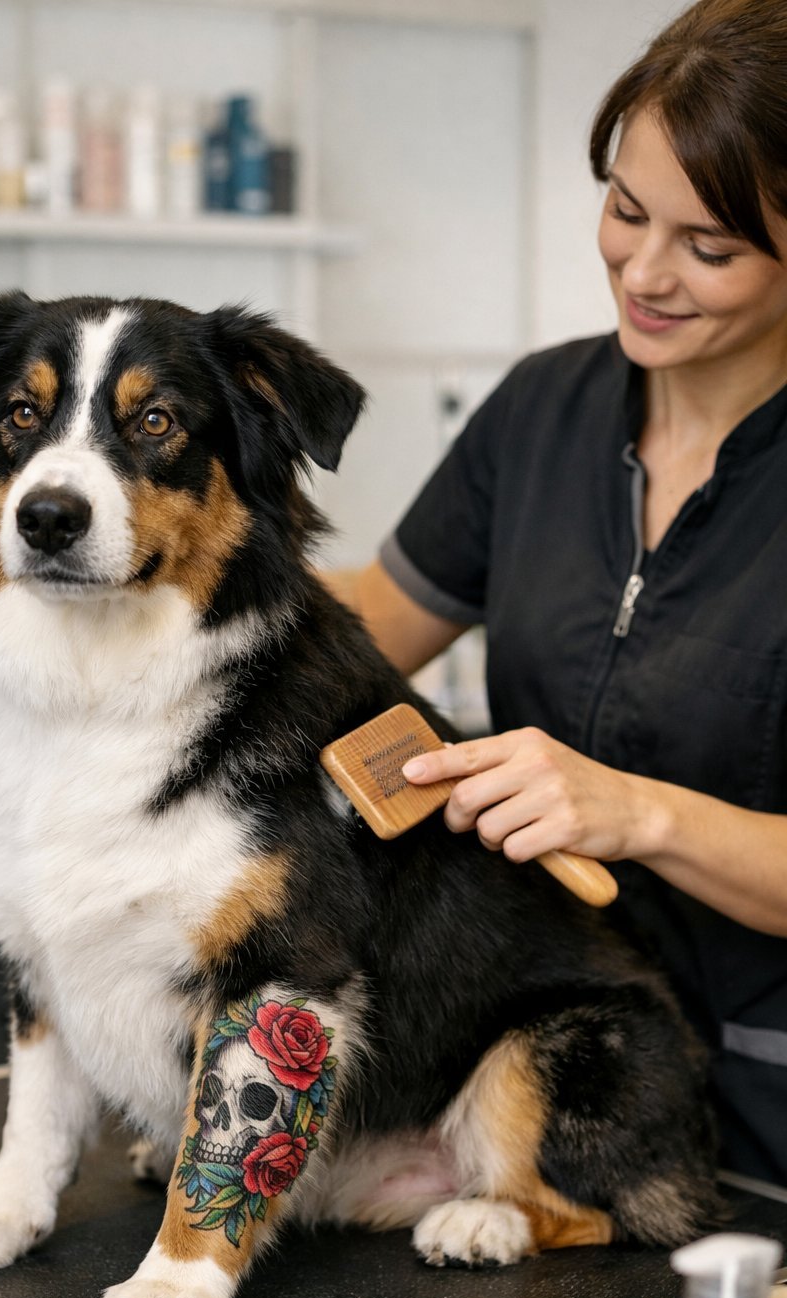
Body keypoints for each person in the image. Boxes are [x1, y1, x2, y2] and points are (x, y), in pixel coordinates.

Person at [330, 0, 787, 1182]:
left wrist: (636, 812)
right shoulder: (543, 413)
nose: (642, 271)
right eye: (625, 210)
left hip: (765, 1130)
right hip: (545, 1108)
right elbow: (367, 626)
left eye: (711, 247)